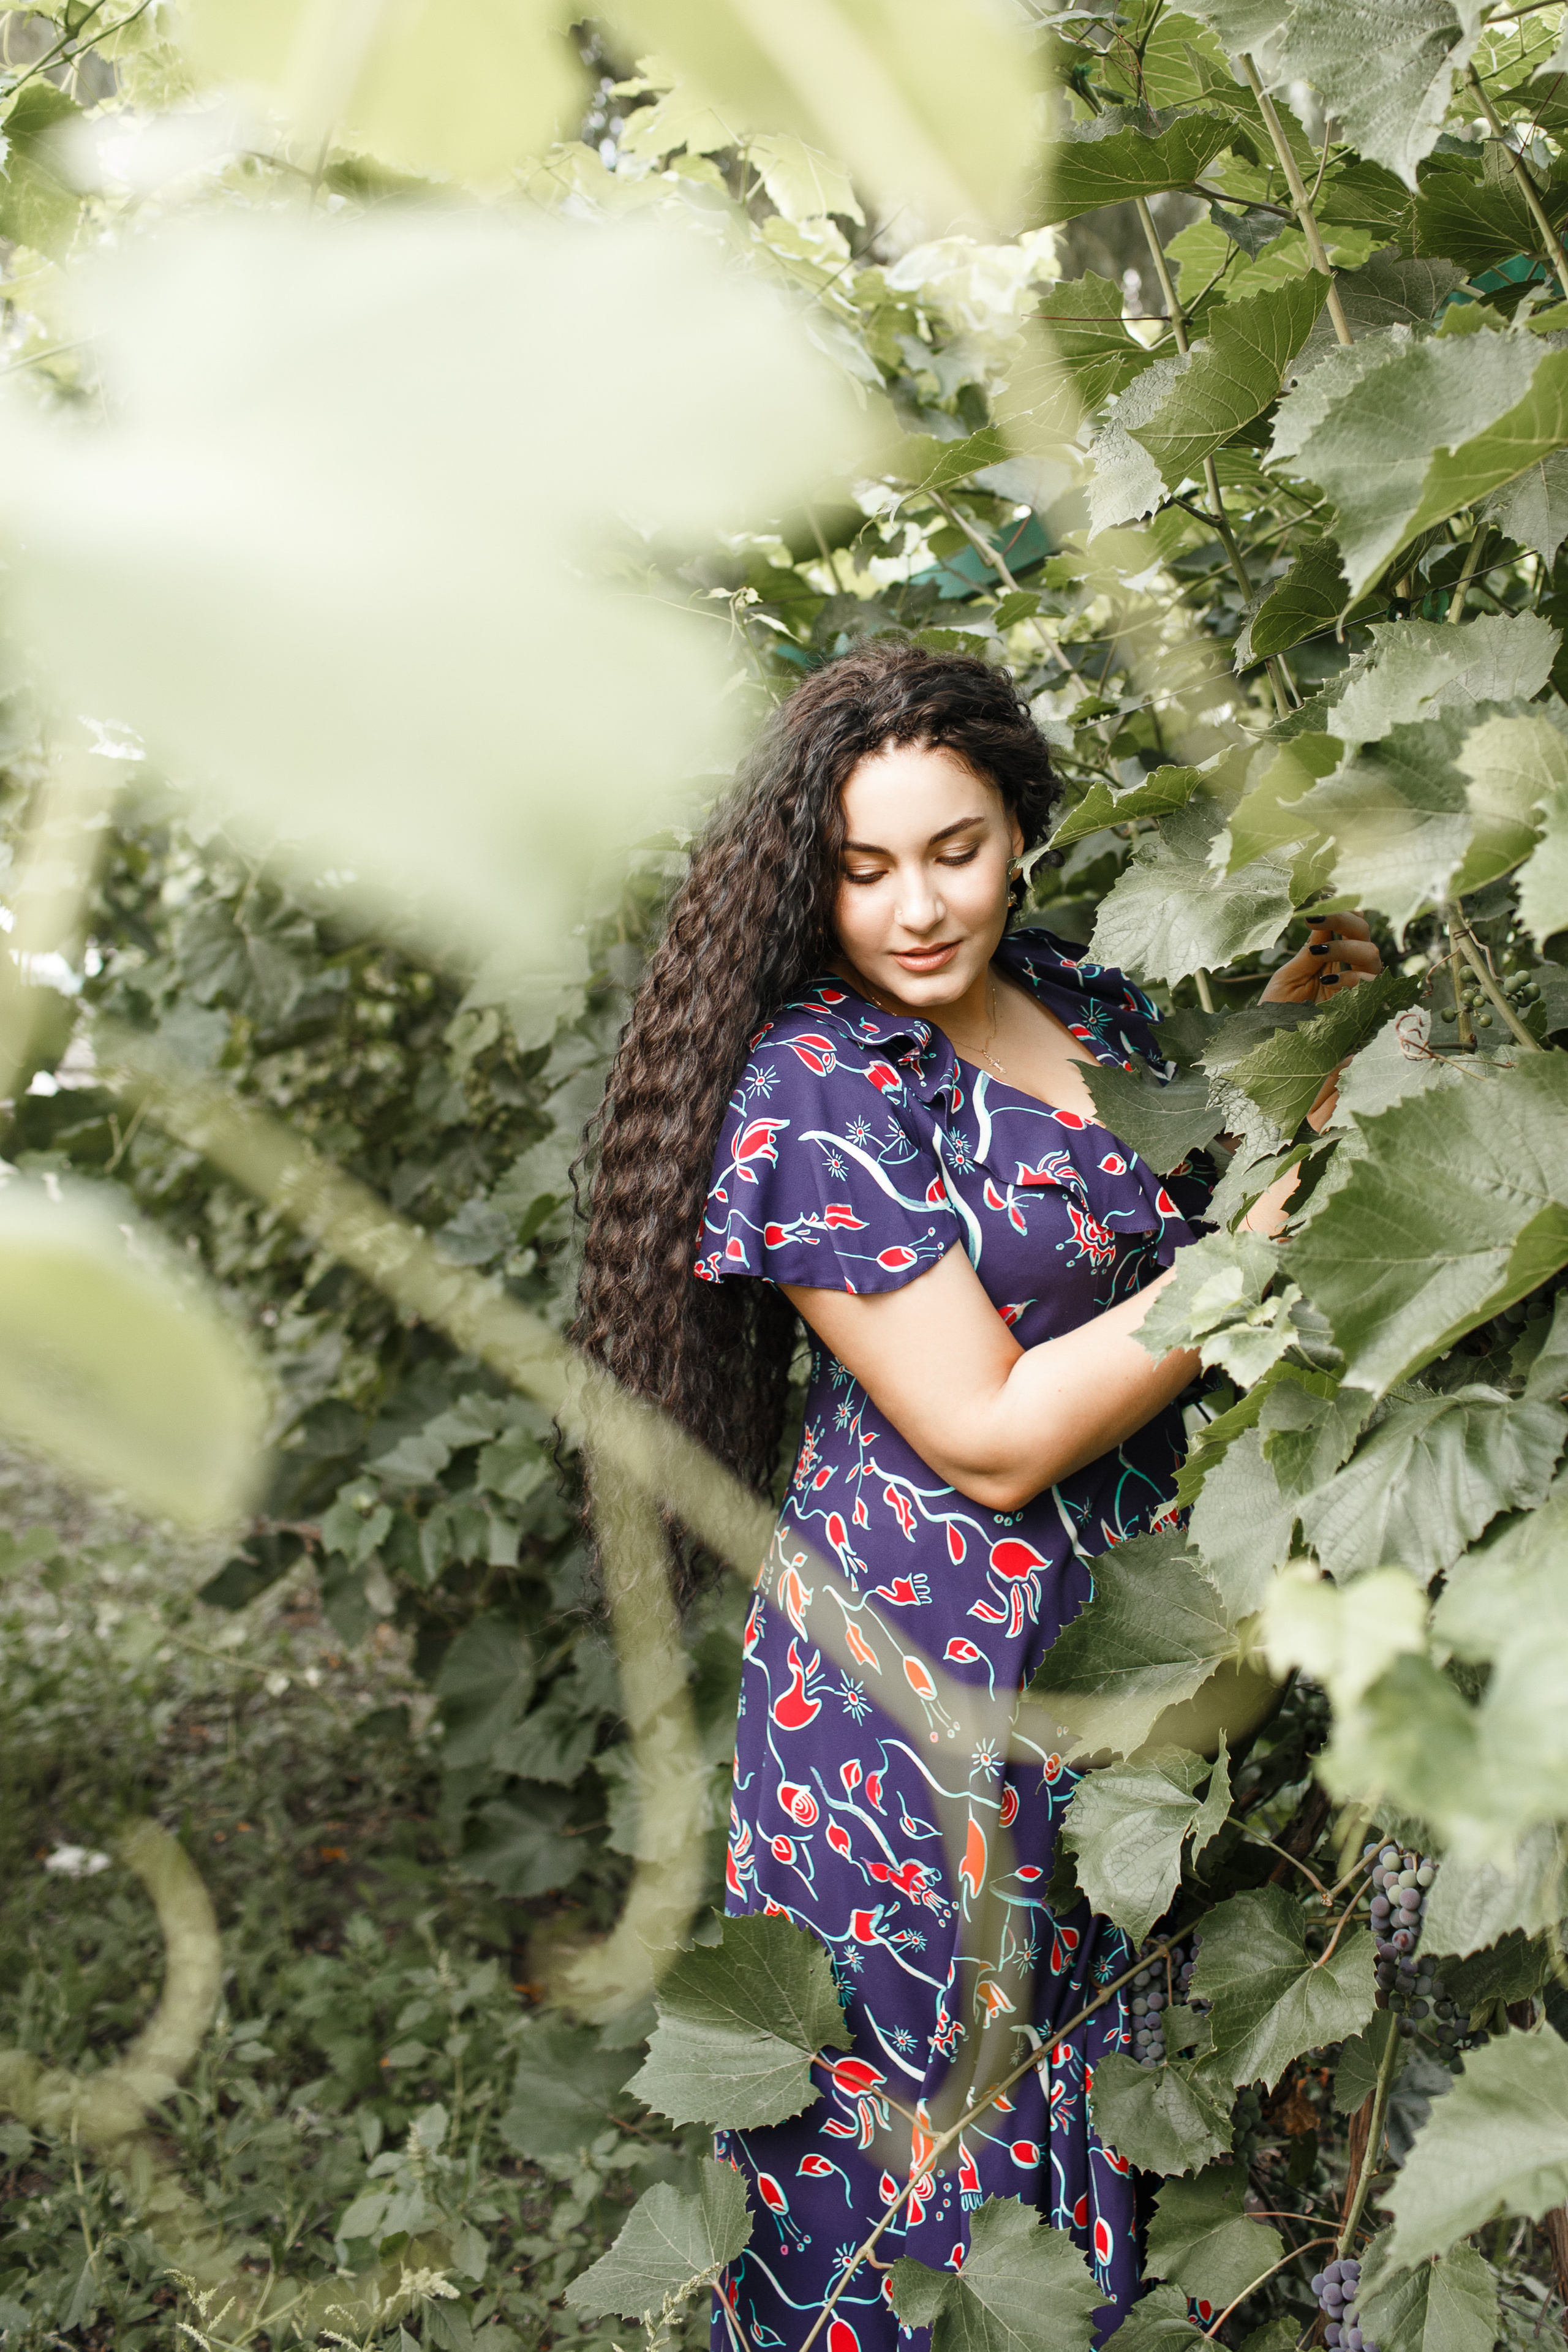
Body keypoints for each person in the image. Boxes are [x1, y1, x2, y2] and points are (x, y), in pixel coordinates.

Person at [575, 641, 1379, 2352]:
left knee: (1109, 2077)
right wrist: (1259, 1238)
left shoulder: (1089, 998)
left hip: (1129, 1657)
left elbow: (1193, 1179)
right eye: (861, 869)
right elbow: (994, 1432)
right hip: (930, 1694)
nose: (914, 908)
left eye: (955, 848)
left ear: (1023, 830)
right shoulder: (816, 1087)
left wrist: (1314, 1028)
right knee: (924, 2138)